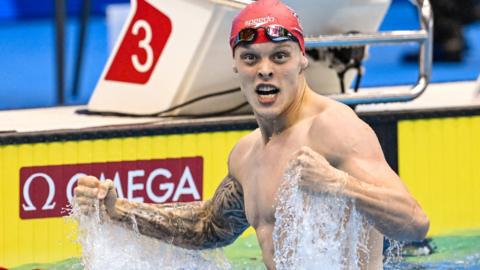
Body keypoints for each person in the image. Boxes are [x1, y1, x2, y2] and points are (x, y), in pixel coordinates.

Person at [74, 0, 429, 268]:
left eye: (279, 56)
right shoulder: (246, 155)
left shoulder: (334, 127)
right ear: (235, 64)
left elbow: (414, 223)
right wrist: (118, 210)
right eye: (250, 58)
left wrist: (338, 184)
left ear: (302, 59)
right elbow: (207, 228)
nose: (265, 70)